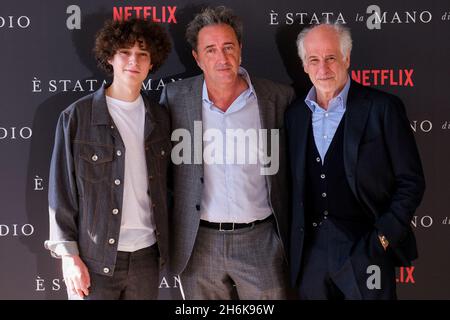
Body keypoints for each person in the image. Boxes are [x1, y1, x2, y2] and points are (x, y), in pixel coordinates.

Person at [160, 6, 295, 299]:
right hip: (199, 242)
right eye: (210, 50)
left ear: (241, 50)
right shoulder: (174, 98)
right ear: (197, 58)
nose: (222, 58)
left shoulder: (277, 97)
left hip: (262, 240)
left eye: (228, 47)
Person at [285, 22, 425, 299]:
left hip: (365, 248)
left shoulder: (382, 108)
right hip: (311, 253)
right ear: (304, 65)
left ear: (347, 58)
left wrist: (382, 238)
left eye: (331, 58)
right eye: (314, 60)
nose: (322, 68)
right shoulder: (295, 115)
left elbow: (411, 181)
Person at [44, 18, 172, 300]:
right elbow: (60, 194)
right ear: (110, 57)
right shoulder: (77, 117)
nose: (133, 61)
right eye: (125, 52)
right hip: (93, 260)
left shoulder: (161, 118)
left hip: (146, 259)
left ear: (152, 63)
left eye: (143, 54)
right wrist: (69, 257)